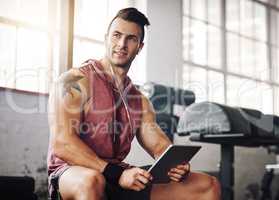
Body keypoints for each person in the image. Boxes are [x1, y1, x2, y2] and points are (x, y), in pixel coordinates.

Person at [47, 7, 220, 200]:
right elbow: (62, 143)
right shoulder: (74, 81)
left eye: (131, 39)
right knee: (92, 181)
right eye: (117, 35)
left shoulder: (139, 100)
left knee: (207, 185)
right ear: (106, 38)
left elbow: (157, 144)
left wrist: (175, 164)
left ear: (140, 46)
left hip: (119, 176)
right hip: (73, 173)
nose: (122, 44)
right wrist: (116, 173)